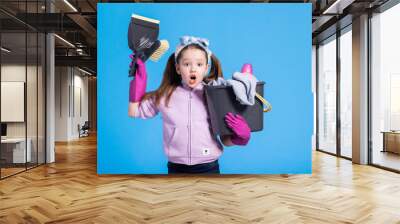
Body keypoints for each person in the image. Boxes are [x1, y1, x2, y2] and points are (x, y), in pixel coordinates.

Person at [128, 36, 251, 174]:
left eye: (199, 64)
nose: (193, 69)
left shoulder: (216, 95)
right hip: (176, 168)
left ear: (206, 68)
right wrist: (139, 77)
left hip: (209, 168)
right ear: (178, 68)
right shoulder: (164, 95)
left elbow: (225, 140)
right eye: (186, 64)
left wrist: (240, 138)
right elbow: (134, 111)